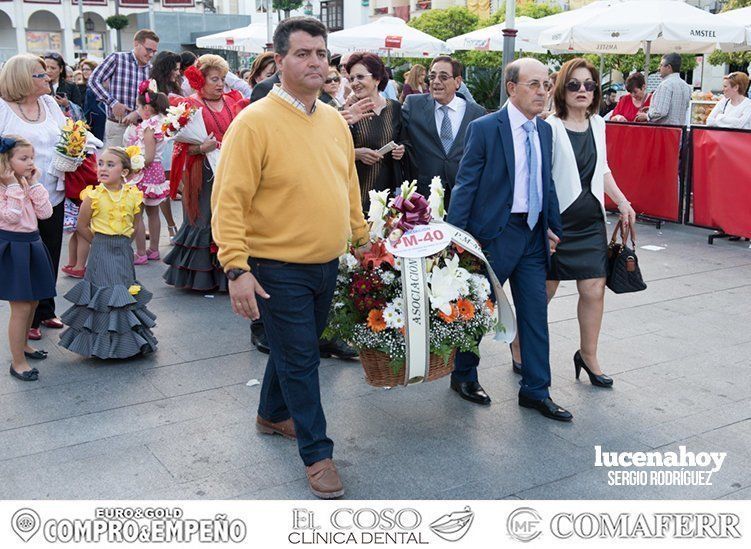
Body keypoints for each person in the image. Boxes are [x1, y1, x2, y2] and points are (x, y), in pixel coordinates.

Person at [212, 16, 369, 499]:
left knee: (293, 349)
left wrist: (361, 240)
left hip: (325, 263)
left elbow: (348, 186)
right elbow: (229, 200)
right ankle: (317, 454)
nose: (316, 62)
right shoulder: (253, 122)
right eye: (303, 54)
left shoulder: (332, 121)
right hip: (273, 268)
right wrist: (235, 267)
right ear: (278, 61)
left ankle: (271, 414)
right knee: (302, 358)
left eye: (322, 54)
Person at [447, 58, 572, 421]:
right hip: (493, 237)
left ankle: (536, 390)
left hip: (533, 237)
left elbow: (545, 183)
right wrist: (458, 241)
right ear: (511, 87)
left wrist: (553, 227)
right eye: (533, 84)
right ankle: (464, 376)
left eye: (546, 85)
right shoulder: (486, 128)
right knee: (477, 313)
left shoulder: (545, 130)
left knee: (535, 315)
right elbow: (466, 184)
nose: (542, 92)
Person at [519, 57, 636, 389]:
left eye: (589, 85)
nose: (582, 90)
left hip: (591, 221)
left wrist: (623, 201)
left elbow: (603, 169)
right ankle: (519, 345)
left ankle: (588, 355)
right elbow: (539, 178)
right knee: (544, 289)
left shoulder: (599, 124)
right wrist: (543, 224)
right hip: (558, 221)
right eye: (574, 84)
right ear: (562, 89)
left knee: (594, 289)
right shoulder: (549, 126)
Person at [59, 147, 158, 358]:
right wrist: (99, 243)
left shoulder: (133, 195)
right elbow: (82, 225)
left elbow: (136, 222)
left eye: (110, 165)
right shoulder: (92, 196)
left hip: (122, 250)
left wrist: (125, 243)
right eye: (101, 163)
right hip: (101, 250)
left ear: (124, 172)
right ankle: (102, 343)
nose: (103, 168)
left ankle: (126, 343)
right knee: (106, 292)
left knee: (123, 290)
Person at [0, 54, 67, 341]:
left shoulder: (50, 104)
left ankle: (46, 309)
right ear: (23, 79)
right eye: (40, 75)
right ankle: (27, 318)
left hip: (51, 190)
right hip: (16, 199)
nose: (48, 78)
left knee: (50, 252)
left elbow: (68, 135)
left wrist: (79, 151)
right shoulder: (3, 109)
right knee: (25, 258)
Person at [163, 55, 241, 292]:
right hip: (203, 172)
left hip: (230, 168)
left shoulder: (233, 101)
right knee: (205, 217)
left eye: (223, 79)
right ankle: (202, 278)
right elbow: (178, 146)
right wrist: (200, 148)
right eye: (215, 79)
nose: (220, 84)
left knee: (229, 216)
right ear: (200, 81)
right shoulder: (190, 105)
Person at [0, 136, 56, 381]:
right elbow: (10, 218)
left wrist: (32, 184)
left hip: (32, 243)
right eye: (24, 158)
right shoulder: (5, 189)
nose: (31, 162)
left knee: (33, 302)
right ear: (6, 162)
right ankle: (17, 362)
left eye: (31, 157)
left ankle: (23, 345)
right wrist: (12, 186)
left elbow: (45, 212)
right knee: (21, 307)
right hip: (14, 246)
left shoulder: (25, 183)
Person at [402, 56, 485, 211]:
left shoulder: (476, 113)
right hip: (423, 197)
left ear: (458, 82)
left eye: (443, 77)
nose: (436, 81)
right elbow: (395, 129)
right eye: (432, 76)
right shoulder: (414, 105)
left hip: (462, 196)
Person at [346, 53, 406, 212]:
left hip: (389, 193)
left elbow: (405, 140)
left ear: (377, 79)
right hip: (357, 194)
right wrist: (356, 154)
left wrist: (401, 149)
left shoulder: (394, 108)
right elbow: (331, 150)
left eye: (360, 77)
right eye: (351, 79)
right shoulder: (347, 113)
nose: (354, 83)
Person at [89, 29, 159, 148]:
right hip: (118, 126)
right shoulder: (117, 58)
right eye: (148, 49)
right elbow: (94, 80)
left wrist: (137, 113)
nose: (151, 54)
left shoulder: (152, 69)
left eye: (154, 51)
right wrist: (113, 103)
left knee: (139, 165)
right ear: (136, 44)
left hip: (142, 127)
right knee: (116, 163)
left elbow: (153, 99)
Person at [125, 81, 170, 264]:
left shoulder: (148, 126)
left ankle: (141, 252)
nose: (138, 110)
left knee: (138, 213)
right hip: (156, 172)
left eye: (139, 106)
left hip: (145, 171)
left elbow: (149, 156)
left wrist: (132, 164)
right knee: (153, 213)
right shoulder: (160, 123)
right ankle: (153, 250)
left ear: (146, 108)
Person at [150, 51, 183, 241]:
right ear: (167, 68)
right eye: (176, 69)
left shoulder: (176, 85)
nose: (178, 73)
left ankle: (180, 227)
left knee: (178, 185)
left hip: (175, 140)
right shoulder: (153, 86)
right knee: (164, 187)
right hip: (161, 141)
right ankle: (171, 226)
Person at [635, 53, 691, 125]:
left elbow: (660, 112)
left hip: (665, 130)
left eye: (661, 65)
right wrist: (652, 108)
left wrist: (647, 116)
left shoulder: (666, 85)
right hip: (679, 130)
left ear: (669, 67)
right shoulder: (686, 86)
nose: (658, 68)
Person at [44, 52, 84, 119]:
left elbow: (79, 109)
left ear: (61, 69)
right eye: (46, 67)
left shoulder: (71, 86)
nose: (48, 71)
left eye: (53, 68)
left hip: (66, 125)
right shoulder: (38, 85)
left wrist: (67, 104)